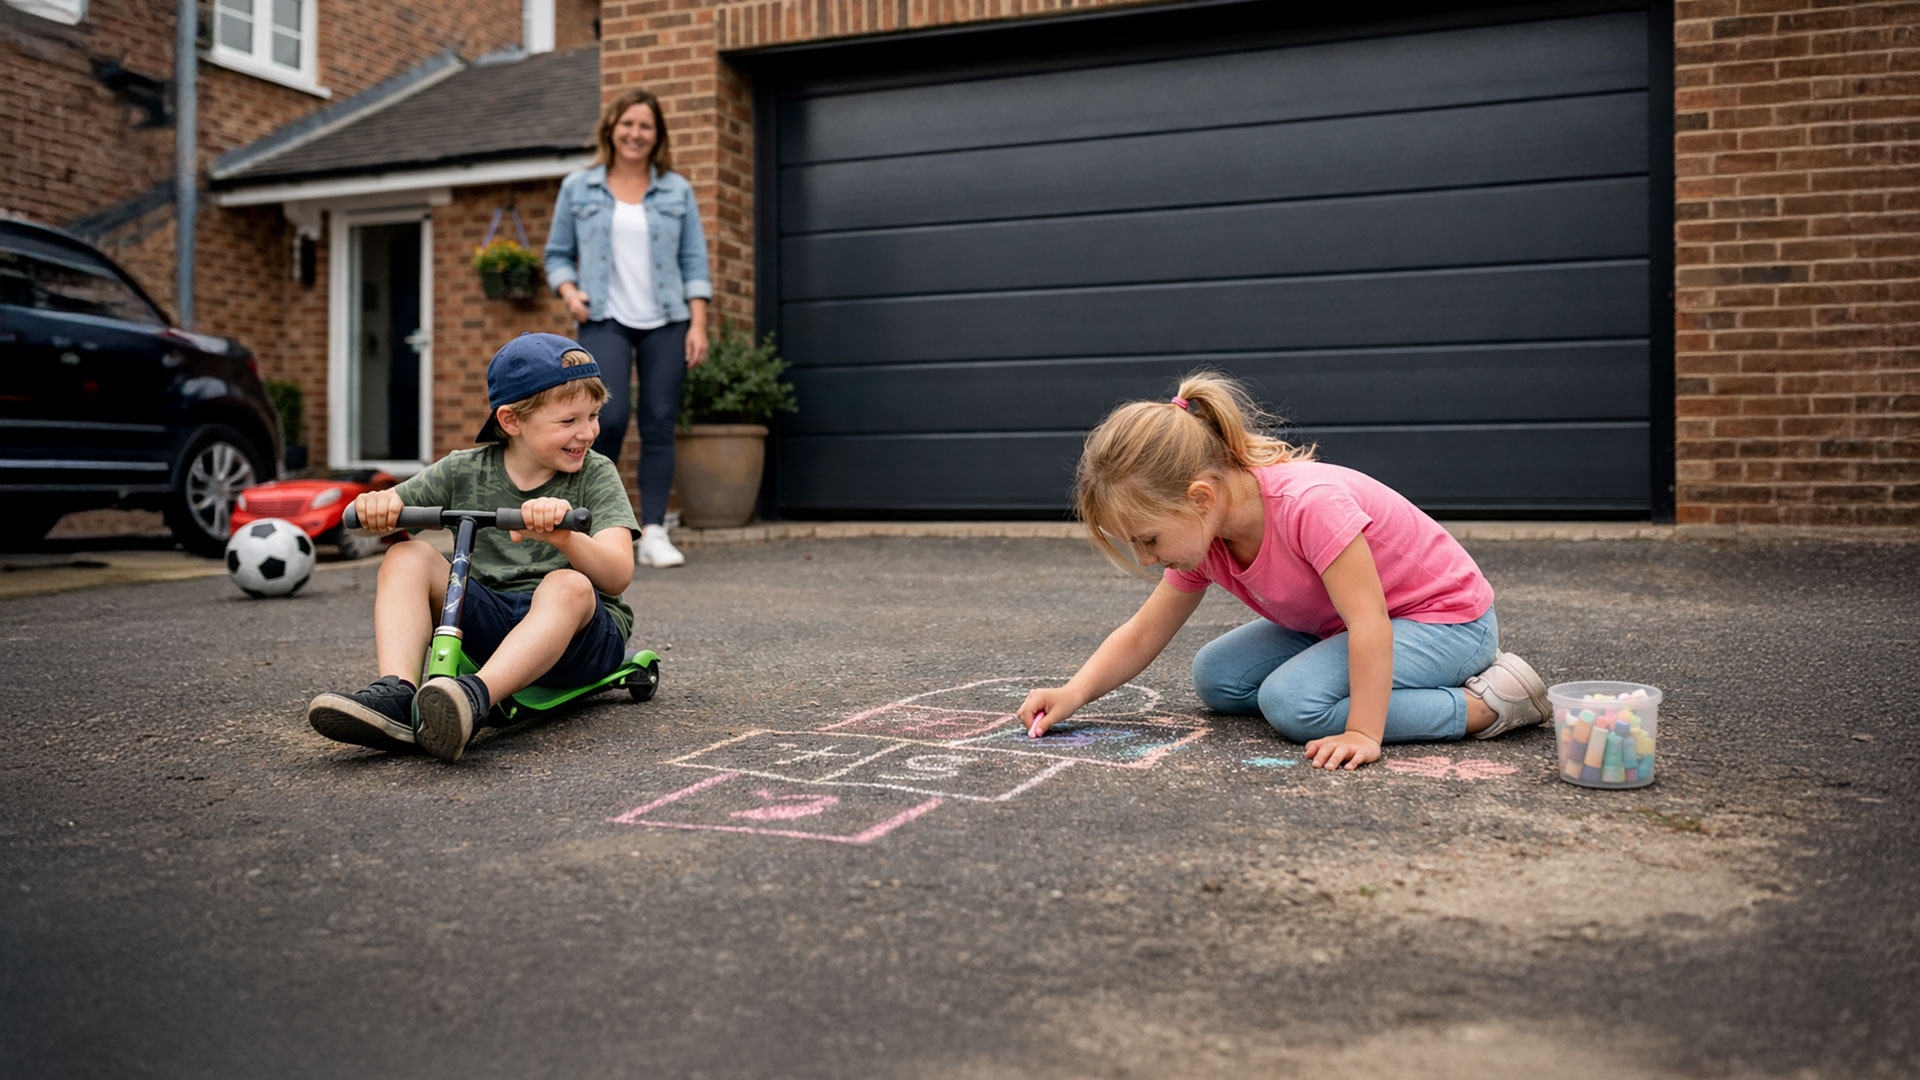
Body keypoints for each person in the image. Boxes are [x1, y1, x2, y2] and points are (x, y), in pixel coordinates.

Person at [1017, 372, 1551, 772]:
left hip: (1447, 624)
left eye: (1148, 540)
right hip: (1346, 626)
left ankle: (1487, 703)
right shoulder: (1207, 534)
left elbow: (1370, 623)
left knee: (1293, 705)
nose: (1147, 558)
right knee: (1218, 677)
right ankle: (1355, 689)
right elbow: (1142, 632)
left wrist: (1364, 731)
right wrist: (1074, 693)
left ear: (1200, 497)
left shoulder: (1308, 505)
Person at [306, 333, 639, 762]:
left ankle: (474, 698)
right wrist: (377, 505)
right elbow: (371, 524)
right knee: (406, 554)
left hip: (583, 638)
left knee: (567, 584)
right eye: (568, 421)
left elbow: (617, 574)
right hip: (496, 624)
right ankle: (396, 693)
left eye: (593, 415)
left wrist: (565, 537)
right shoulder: (463, 469)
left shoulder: (595, 473)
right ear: (511, 420)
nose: (588, 432)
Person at [544, 88, 710, 570]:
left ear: (657, 137)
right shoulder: (579, 187)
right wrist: (569, 291)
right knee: (606, 420)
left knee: (659, 421)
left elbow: (693, 260)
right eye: (628, 124)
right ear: (612, 129)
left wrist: (697, 322)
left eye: (646, 126)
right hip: (604, 318)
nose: (636, 134)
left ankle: (654, 530)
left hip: (668, 318)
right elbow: (556, 254)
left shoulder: (676, 190)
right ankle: (599, 526)